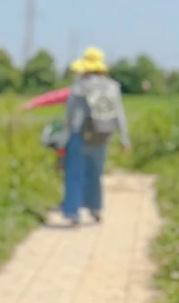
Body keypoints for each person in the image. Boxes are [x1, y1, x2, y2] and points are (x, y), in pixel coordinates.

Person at [46, 46, 130, 227]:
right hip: (102, 135)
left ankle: (72, 212)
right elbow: (119, 114)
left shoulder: (79, 88)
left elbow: (71, 117)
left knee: (75, 173)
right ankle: (95, 208)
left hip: (80, 134)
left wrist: (62, 141)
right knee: (95, 173)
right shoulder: (112, 87)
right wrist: (124, 139)